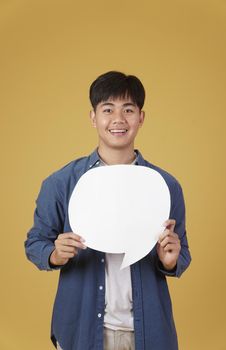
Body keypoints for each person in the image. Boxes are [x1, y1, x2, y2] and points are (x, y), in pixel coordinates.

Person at [25, 71, 191, 350]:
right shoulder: (62, 182)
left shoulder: (165, 186)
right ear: (93, 117)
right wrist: (54, 254)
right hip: (82, 329)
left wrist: (170, 260)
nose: (118, 119)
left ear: (141, 117)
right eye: (107, 109)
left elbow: (181, 251)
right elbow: (35, 243)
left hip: (149, 332)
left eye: (128, 109)